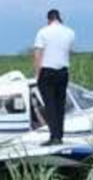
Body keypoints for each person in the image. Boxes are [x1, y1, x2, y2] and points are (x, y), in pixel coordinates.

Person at [33, 9, 75, 146]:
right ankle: (59, 136)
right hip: (63, 71)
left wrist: (37, 74)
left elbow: (38, 54)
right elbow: (68, 53)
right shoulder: (70, 32)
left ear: (49, 19)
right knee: (60, 105)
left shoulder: (42, 32)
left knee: (50, 106)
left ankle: (54, 137)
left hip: (47, 71)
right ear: (59, 18)